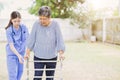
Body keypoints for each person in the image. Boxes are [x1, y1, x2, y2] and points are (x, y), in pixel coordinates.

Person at [24, 6, 65, 80]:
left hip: (52, 57)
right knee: (37, 77)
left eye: (44, 19)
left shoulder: (55, 25)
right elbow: (31, 39)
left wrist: (61, 54)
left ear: (50, 17)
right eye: (40, 18)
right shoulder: (36, 24)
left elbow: (59, 39)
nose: (42, 21)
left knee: (50, 78)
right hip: (39, 57)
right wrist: (27, 53)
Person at [5, 11, 29, 80]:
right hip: (12, 54)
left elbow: (28, 40)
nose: (17, 23)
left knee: (20, 72)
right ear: (11, 20)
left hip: (21, 53)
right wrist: (18, 56)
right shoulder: (9, 30)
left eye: (18, 21)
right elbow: (11, 46)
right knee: (13, 74)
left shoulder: (24, 28)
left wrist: (26, 53)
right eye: (15, 21)